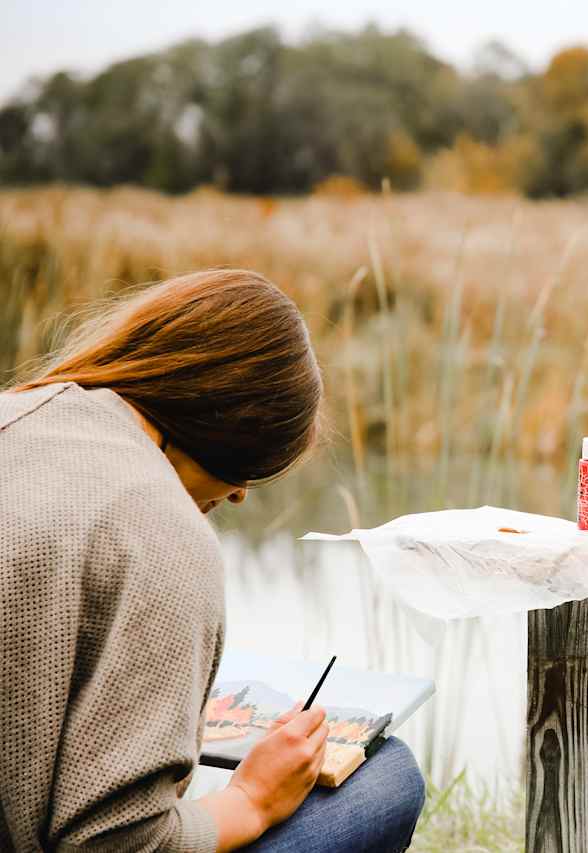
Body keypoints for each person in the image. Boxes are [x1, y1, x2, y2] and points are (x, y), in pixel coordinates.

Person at [0, 270, 425, 852]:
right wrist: (252, 800)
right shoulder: (161, 527)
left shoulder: (19, 414)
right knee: (385, 777)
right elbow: (114, 845)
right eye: (248, 474)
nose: (239, 496)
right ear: (235, 432)